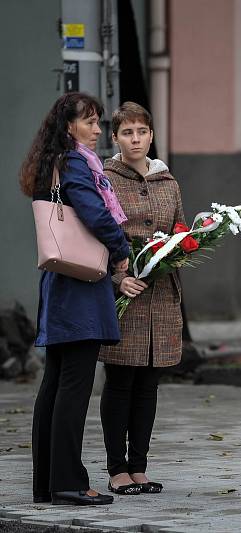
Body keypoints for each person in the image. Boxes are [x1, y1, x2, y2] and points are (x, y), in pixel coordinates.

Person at [21, 92, 130, 506]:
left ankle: (48, 483)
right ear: (68, 126)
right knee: (73, 387)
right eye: (90, 122)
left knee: (55, 384)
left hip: (60, 282)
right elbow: (95, 214)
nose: (97, 129)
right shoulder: (74, 164)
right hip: (80, 285)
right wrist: (121, 250)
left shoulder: (52, 163)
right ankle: (68, 481)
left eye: (98, 121)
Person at [99, 102, 185, 494]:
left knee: (149, 384)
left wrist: (182, 247)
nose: (136, 139)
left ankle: (139, 467)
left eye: (142, 132)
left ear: (152, 135)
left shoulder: (168, 181)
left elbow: (181, 230)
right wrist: (117, 277)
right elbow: (96, 235)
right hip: (126, 296)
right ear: (115, 137)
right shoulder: (106, 179)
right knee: (120, 381)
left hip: (162, 295)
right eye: (128, 133)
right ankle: (116, 469)